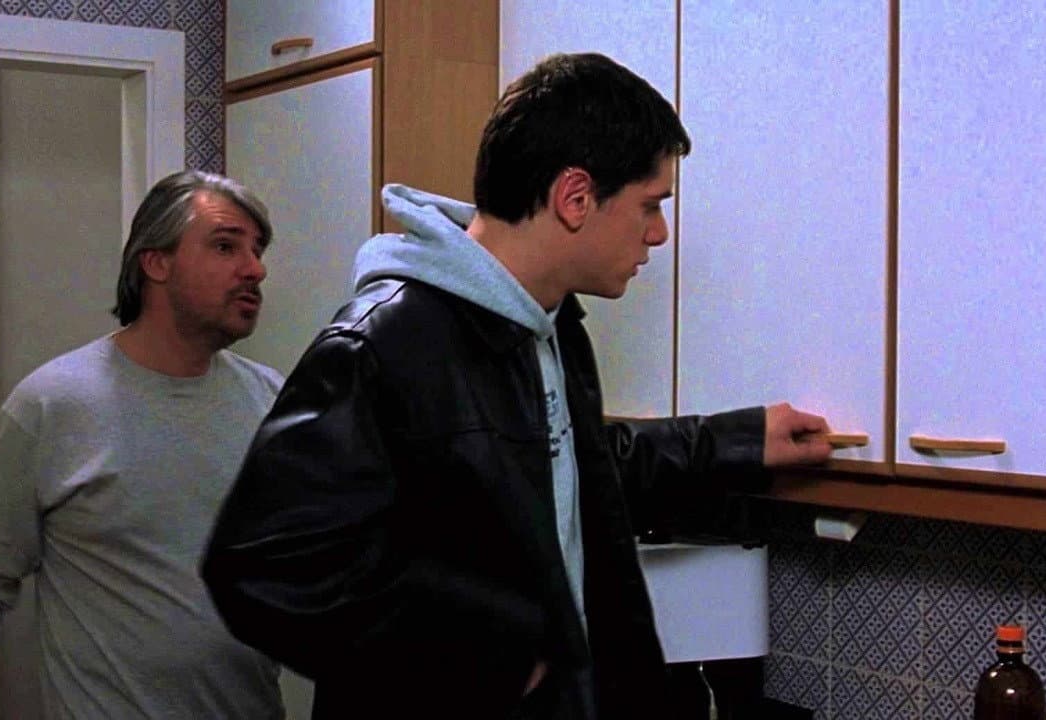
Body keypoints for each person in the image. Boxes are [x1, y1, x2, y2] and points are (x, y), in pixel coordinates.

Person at [200, 53, 833, 720]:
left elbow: (573, 470)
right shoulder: (382, 343)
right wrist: (476, 656)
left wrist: (739, 439)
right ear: (575, 197)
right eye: (650, 205)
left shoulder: (549, 326)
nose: (659, 232)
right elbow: (260, 568)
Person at [0, 170, 286, 719]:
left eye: (257, 251)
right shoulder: (54, 405)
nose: (255, 269)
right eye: (225, 246)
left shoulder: (273, 402)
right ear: (156, 263)